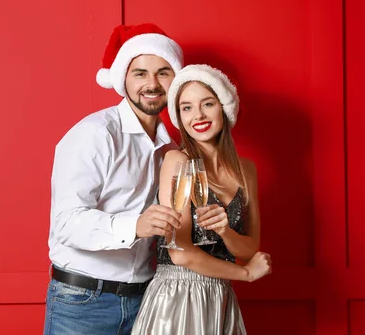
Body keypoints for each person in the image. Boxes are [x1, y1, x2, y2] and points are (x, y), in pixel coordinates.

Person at [43, 23, 185, 335]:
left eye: (163, 72)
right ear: (123, 78)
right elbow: (65, 223)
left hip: (148, 303)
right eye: (140, 73)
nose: (152, 83)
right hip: (82, 303)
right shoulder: (95, 134)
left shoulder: (172, 151)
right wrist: (135, 225)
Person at [132, 64, 273, 335]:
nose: (197, 115)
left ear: (223, 107)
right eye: (186, 108)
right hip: (177, 297)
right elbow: (180, 252)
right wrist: (246, 274)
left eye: (207, 104)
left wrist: (225, 231)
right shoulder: (177, 161)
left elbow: (248, 248)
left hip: (220, 297)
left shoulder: (247, 170)